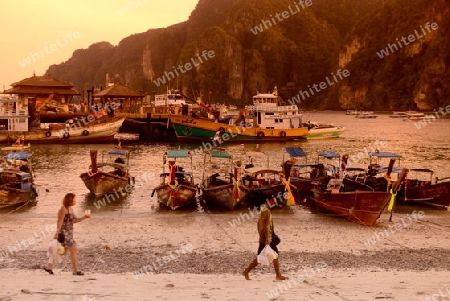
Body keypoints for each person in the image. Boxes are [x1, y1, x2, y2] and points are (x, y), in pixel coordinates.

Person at [44, 193, 89, 275]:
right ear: (70, 200)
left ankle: (49, 266)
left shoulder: (71, 209)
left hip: (69, 233)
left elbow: (73, 221)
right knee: (74, 249)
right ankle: (75, 271)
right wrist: (57, 233)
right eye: (74, 199)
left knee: (63, 251)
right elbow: (59, 222)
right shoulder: (63, 209)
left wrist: (84, 217)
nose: (75, 201)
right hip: (64, 233)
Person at [242, 202, 287, 280]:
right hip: (267, 238)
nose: (274, 203)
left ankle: (246, 271)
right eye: (272, 201)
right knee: (272, 255)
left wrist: (261, 235)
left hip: (264, 238)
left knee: (263, 257)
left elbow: (258, 223)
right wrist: (267, 238)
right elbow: (266, 225)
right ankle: (278, 275)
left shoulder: (263, 210)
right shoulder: (266, 211)